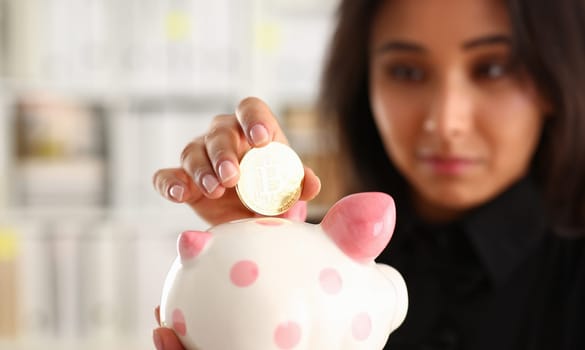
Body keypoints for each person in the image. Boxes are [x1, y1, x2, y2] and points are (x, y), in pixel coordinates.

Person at [151, 0, 585, 349]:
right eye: (407, 71)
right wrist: (253, 257)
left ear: (553, 78)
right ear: (364, 84)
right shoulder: (308, 248)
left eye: (492, 69)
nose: (446, 121)